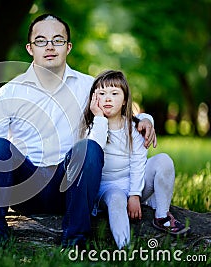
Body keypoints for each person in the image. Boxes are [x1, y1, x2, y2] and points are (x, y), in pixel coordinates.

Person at [0, 14, 156, 248]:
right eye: (41, 41)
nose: (50, 47)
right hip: (25, 187)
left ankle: (75, 241)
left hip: (70, 185)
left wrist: (145, 119)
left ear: (68, 47)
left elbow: (119, 109)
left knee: (89, 148)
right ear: (29, 48)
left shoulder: (89, 87)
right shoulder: (10, 91)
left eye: (57, 40)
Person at [81, 70, 189, 249]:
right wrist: (99, 118)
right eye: (102, 94)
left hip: (133, 182)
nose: (108, 98)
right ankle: (125, 249)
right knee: (116, 200)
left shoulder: (134, 127)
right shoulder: (91, 128)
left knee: (163, 160)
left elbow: (138, 162)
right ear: (94, 99)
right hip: (107, 188)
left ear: (124, 100)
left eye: (114, 93)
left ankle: (162, 215)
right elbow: (94, 150)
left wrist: (134, 195)